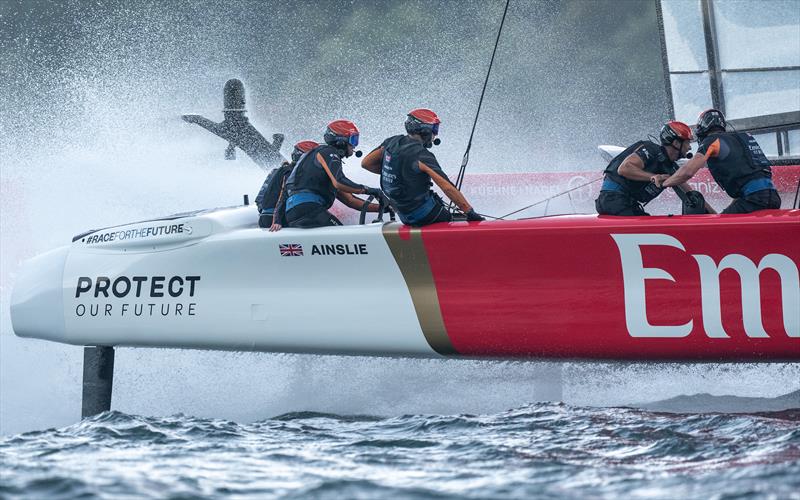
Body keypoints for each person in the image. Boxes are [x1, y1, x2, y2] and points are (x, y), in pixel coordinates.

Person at [361, 108, 484, 226]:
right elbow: (447, 187)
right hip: (424, 216)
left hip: (403, 215)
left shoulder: (391, 142)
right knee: (459, 219)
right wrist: (470, 212)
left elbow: (366, 163)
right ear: (425, 130)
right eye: (434, 129)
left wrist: (401, 175)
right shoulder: (422, 155)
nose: (435, 134)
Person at [662, 109, 781, 213]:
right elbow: (748, 182)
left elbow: (687, 171)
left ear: (703, 130)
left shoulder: (712, 140)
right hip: (773, 198)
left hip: (753, 200)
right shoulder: (744, 138)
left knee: (715, 235)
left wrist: (665, 182)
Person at [275, 119, 382, 230]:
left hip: (295, 212)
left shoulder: (318, 167)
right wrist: (369, 190)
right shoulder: (327, 152)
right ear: (341, 141)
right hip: (309, 209)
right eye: (353, 140)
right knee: (346, 237)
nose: (354, 146)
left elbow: (350, 201)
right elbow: (339, 182)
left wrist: (382, 208)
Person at [595, 121, 709, 215]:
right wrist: (653, 177)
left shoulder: (670, 168)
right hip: (613, 200)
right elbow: (624, 168)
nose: (689, 148)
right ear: (676, 143)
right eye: (687, 143)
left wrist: (717, 216)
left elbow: (690, 192)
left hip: (623, 203)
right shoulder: (650, 150)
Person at [255, 140, 318, 228]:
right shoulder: (294, 174)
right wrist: (277, 220)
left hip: (264, 217)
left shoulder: (277, 171)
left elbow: (259, 200)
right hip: (277, 220)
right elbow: (284, 196)